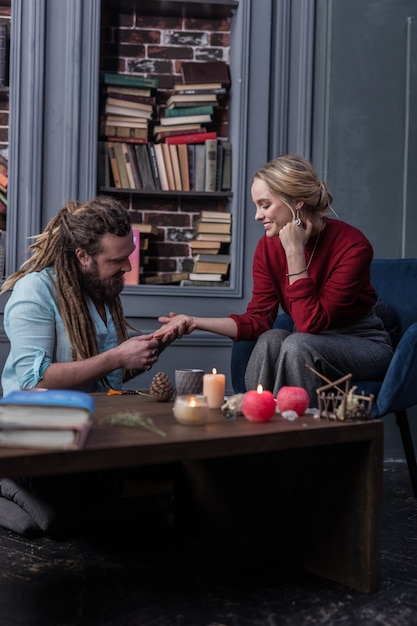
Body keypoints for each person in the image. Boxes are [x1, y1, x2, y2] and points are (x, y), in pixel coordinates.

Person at [155, 154, 394, 405]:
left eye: (265, 205)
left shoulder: (353, 245)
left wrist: (294, 252)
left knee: (296, 345)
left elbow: (310, 324)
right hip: (304, 341)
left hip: (363, 344)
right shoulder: (267, 248)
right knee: (270, 339)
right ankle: (257, 420)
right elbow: (258, 322)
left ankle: (291, 432)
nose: (258, 216)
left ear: (297, 204)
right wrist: (194, 321)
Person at [1, 195, 184, 396]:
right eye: (117, 260)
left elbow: (107, 376)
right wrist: (116, 357)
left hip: (96, 416)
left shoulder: (100, 287)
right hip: (40, 422)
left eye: (128, 256)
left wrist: (159, 341)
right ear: (83, 256)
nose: (128, 267)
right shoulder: (34, 289)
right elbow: (34, 383)